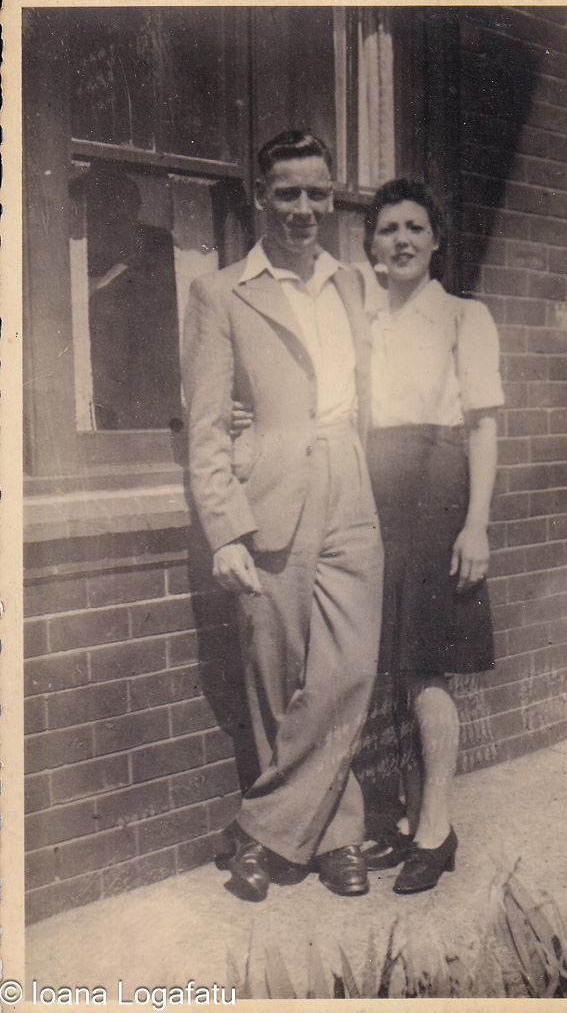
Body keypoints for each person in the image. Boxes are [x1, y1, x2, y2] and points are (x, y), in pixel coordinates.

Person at [182, 130, 383, 903]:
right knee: (277, 674)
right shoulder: (222, 292)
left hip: (350, 485)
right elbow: (204, 425)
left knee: (349, 670)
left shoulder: (351, 284)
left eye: (318, 193)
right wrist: (225, 529)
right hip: (269, 489)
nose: (305, 209)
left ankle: (260, 831)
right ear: (259, 195)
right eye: (288, 192)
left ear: (332, 198)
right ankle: (333, 839)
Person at [360, 178, 504, 894]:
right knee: (385, 662)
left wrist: (475, 523)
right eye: (388, 228)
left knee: (423, 666)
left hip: (436, 492)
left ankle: (437, 829)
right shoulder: (364, 321)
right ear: (372, 244)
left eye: (415, 226)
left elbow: (482, 425)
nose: (403, 239)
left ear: (436, 240)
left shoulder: (463, 317)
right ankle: (408, 820)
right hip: (372, 490)